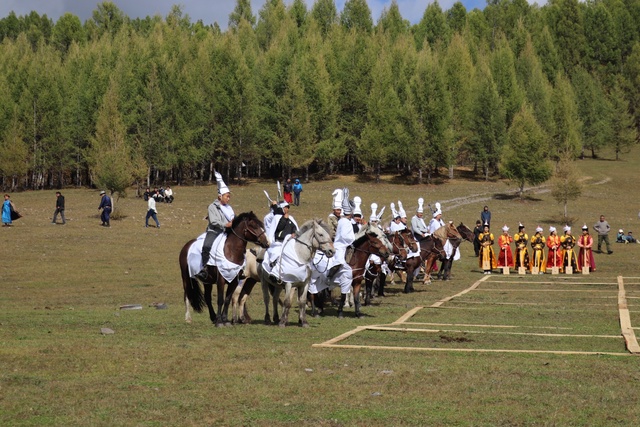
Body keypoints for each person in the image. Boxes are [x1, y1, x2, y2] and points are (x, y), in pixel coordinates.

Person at [195, 172, 235, 281]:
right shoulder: (212, 207)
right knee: (206, 246)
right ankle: (203, 268)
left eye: (229, 197)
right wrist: (225, 224)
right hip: (214, 231)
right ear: (220, 196)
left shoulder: (229, 208)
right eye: (227, 196)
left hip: (226, 232)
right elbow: (213, 221)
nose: (228, 199)